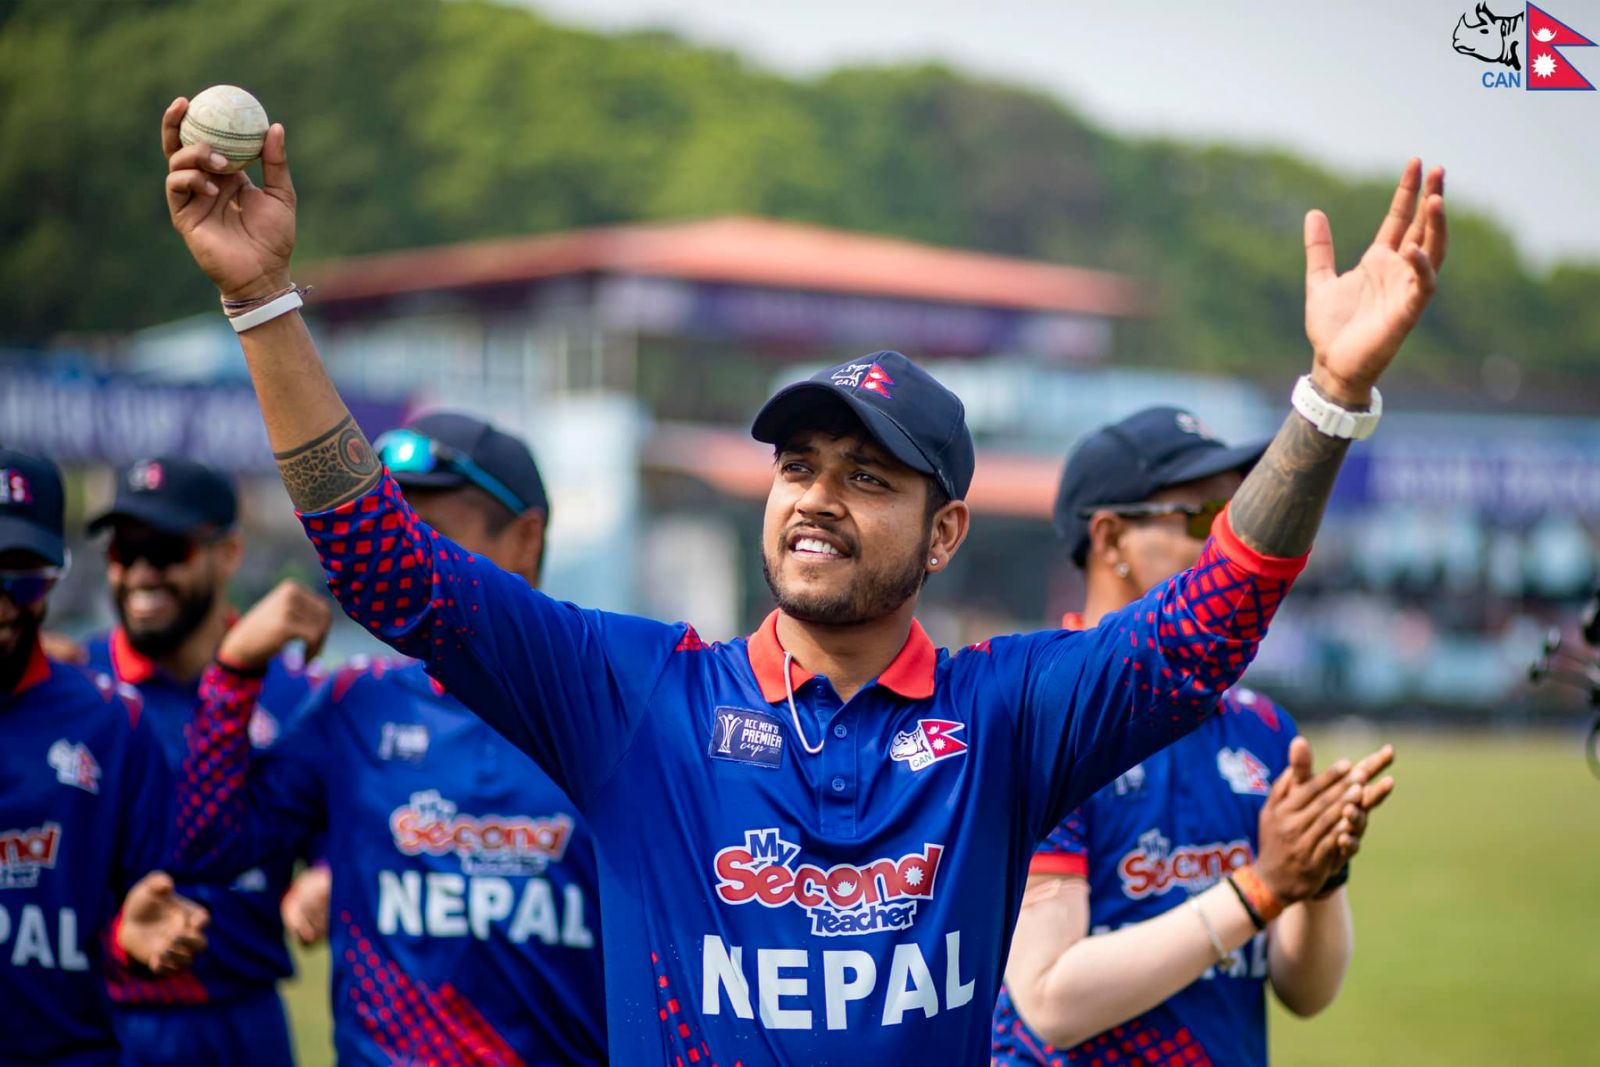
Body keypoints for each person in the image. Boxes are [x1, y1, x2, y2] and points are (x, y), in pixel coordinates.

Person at [160, 98, 1446, 1063]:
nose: (820, 494)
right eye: (799, 463)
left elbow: (1204, 628)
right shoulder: (637, 697)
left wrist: (1329, 399)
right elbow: (382, 562)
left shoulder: (1006, 711)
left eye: (871, 477)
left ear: (944, 536)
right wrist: (266, 302)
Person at [176, 413, 608, 1064]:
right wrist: (233, 673)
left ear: (525, 539)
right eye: (389, 538)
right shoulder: (357, 704)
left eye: (426, 541)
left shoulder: (609, 712)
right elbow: (208, 845)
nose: (399, 565)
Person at [992, 408, 1397, 1066]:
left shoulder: (1263, 727)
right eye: (1210, 516)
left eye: (1248, 510)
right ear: (1111, 537)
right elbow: (1051, 1000)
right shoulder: (1040, 717)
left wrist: (1320, 873)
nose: (1240, 538)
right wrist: (1261, 888)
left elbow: (1305, 989)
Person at [81, 456, 324, 1067]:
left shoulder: (292, 693)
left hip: (247, 1024)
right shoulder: (74, 684)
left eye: (166, 551)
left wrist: (325, 873)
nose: (140, 574)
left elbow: (335, 822)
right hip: (106, 1020)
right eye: (122, 552)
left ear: (231, 553)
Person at [0, 448, 210, 1067]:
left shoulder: (112, 722)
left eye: (25, 579)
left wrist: (137, 936)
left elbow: (146, 905)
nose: (3, 607)